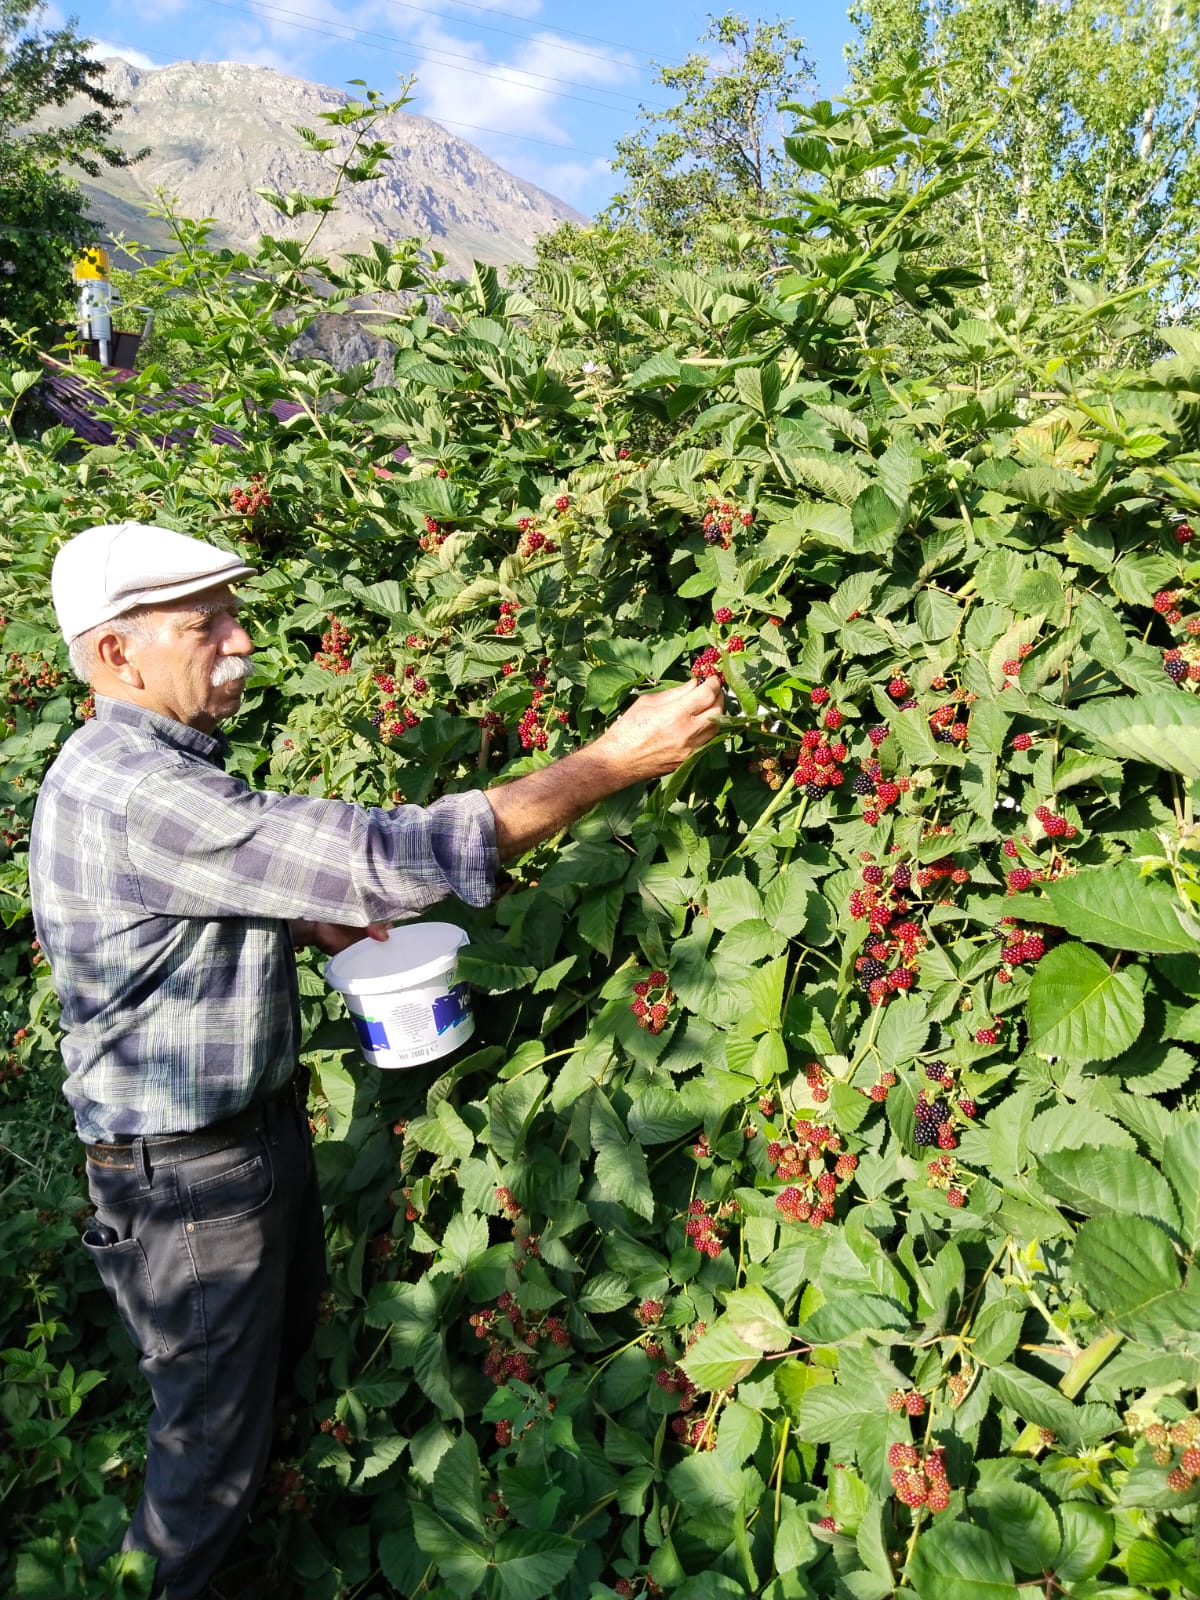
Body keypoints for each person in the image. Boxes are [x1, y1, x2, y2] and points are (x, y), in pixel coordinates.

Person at [28, 520, 723, 1600]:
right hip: (192, 1182)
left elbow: (213, 889)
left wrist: (307, 921)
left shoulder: (140, 765)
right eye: (205, 623)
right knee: (203, 1461)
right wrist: (610, 762)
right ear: (118, 655)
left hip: (228, 1155)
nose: (242, 640)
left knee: (244, 1404)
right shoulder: (138, 790)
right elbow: (380, 859)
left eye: (233, 614)